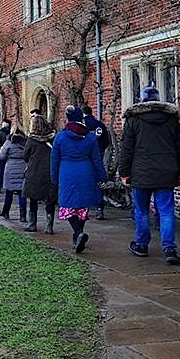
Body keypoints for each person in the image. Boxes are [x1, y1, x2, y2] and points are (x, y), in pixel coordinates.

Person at [120, 86, 180, 265]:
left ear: (141, 100)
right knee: (166, 212)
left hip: (140, 173)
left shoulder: (133, 121)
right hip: (166, 172)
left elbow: (127, 149)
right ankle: (169, 248)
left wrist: (124, 172)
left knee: (141, 211)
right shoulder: (172, 120)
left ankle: (141, 244)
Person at [52, 106, 108, 253]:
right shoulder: (90, 137)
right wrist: (102, 176)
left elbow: (54, 160)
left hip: (66, 173)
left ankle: (78, 233)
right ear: (81, 119)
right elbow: (97, 160)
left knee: (68, 206)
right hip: (86, 172)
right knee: (82, 206)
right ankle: (78, 234)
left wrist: (54, 177)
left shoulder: (60, 137)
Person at [22, 115, 57, 234]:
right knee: (50, 200)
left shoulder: (31, 140)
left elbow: (25, 156)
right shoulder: (53, 138)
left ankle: (32, 224)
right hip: (49, 172)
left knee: (33, 199)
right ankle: (49, 226)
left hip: (34, 172)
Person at [82, 104, 111, 220]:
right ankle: (100, 210)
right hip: (98, 157)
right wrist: (100, 152)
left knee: (85, 184)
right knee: (99, 183)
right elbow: (106, 142)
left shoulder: (82, 126)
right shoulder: (100, 125)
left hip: (85, 158)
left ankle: (85, 211)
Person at [0, 125, 28, 222]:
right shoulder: (26, 142)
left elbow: (1, 156)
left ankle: (5, 212)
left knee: (9, 192)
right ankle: (23, 216)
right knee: (22, 193)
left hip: (11, 167)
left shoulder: (9, 142)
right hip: (23, 167)